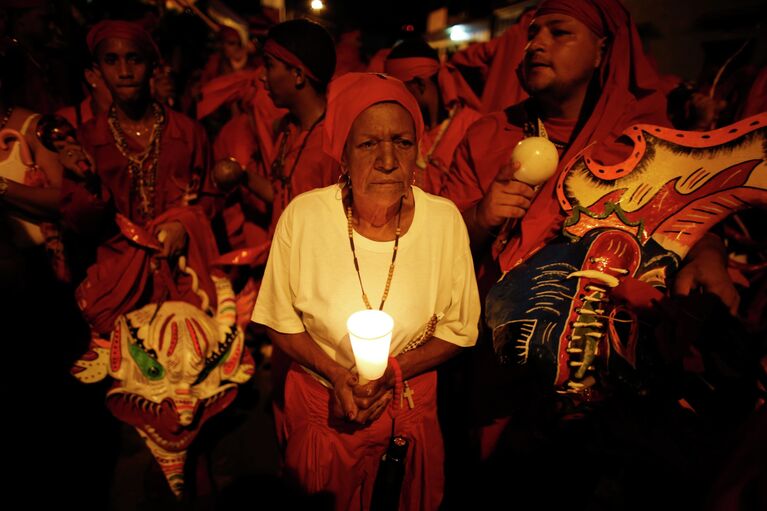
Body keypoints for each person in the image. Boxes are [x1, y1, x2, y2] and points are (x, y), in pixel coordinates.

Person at [251, 72, 480, 510]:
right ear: (343, 154)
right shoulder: (305, 218)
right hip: (324, 408)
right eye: (369, 144)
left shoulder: (444, 221)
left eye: (403, 142)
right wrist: (338, 375)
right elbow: (279, 320)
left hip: (408, 408)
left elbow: (461, 328)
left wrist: (396, 369)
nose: (389, 160)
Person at [59, 19, 217, 334]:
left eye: (134, 58)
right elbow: (78, 224)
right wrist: (86, 183)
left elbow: (212, 198)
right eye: (112, 60)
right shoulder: (88, 139)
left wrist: (183, 223)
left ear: (153, 66)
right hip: (116, 288)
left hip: (184, 281)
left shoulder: (188, 132)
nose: (125, 70)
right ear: (97, 71)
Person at [259, 18, 339, 233]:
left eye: (269, 65)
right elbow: (280, 195)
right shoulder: (287, 129)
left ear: (298, 75)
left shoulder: (334, 141)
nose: (262, 77)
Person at [385, 36, 482, 194]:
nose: (394, 99)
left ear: (420, 84)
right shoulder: (404, 125)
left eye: (398, 91)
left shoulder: (473, 127)